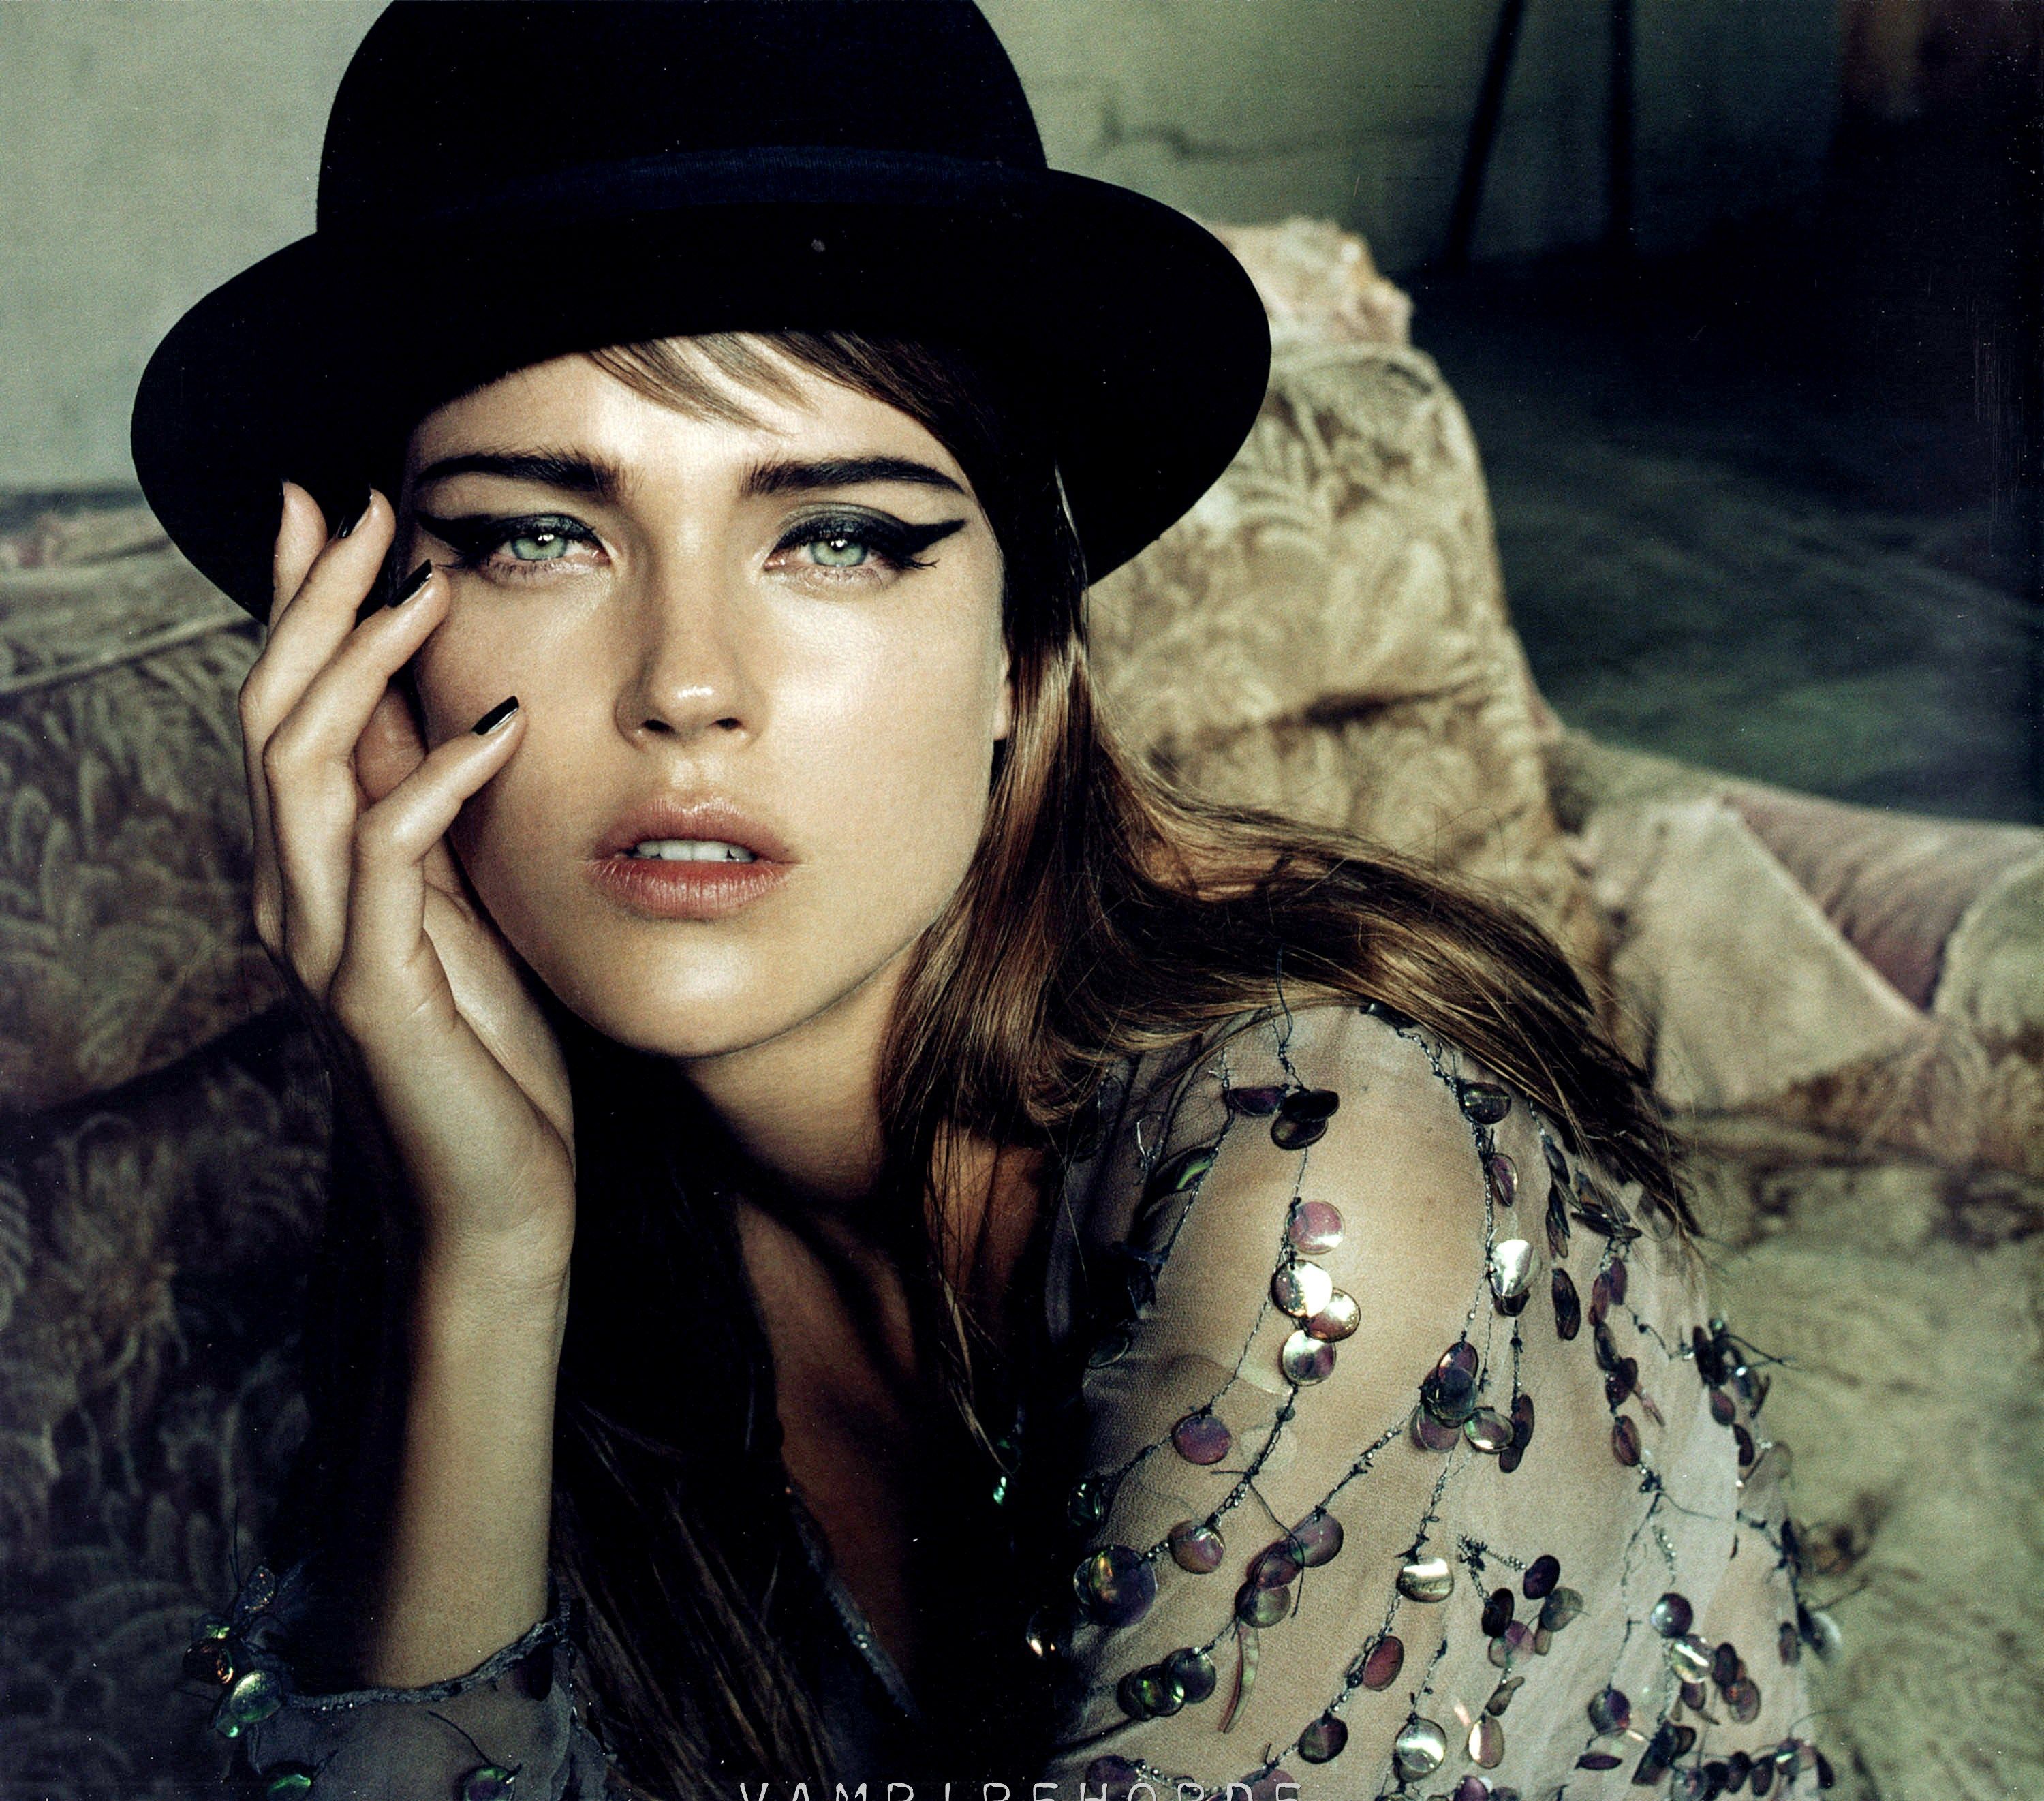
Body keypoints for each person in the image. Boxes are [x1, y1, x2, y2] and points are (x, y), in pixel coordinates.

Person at [131, 5, 1830, 1798]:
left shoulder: (1330, 1190)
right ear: (371, 658)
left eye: (839, 536)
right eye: (533, 536)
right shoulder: (516, 1174)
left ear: (1022, 651)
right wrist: (484, 1256)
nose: (687, 684)